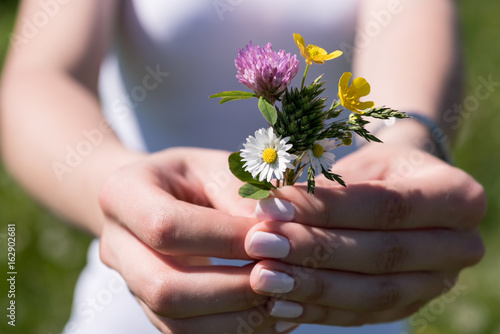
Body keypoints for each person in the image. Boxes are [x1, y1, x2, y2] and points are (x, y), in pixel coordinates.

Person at [0, 0, 486, 333]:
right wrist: (110, 187)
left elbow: (410, 33)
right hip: (143, 296)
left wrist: (407, 145)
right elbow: (38, 76)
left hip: (349, 288)